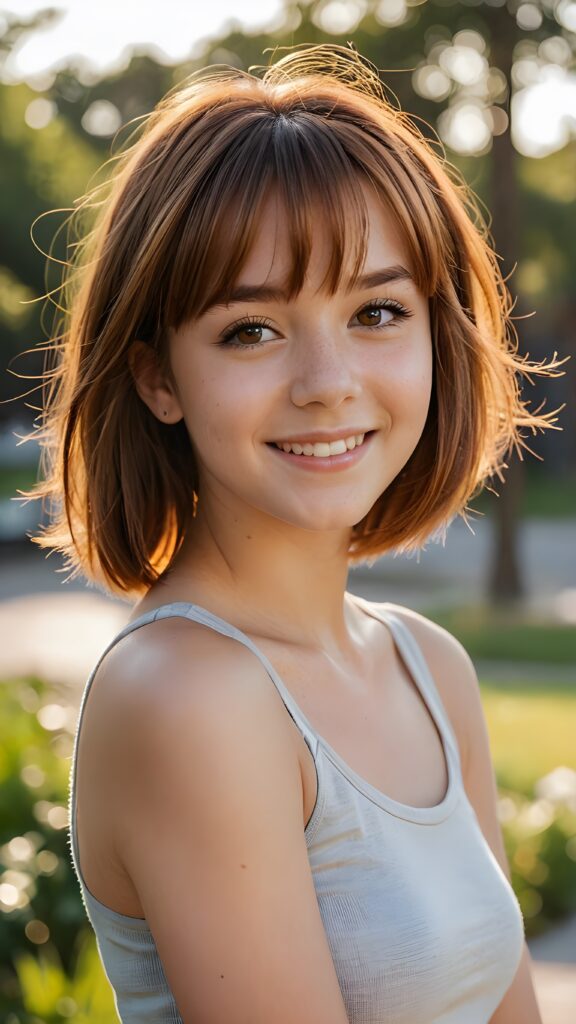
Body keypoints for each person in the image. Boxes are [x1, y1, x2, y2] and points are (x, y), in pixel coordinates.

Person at [30, 43, 559, 1023]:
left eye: (377, 311)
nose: (327, 381)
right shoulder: (188, 692)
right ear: (157, 377)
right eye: (252, 329)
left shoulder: (426, 665)